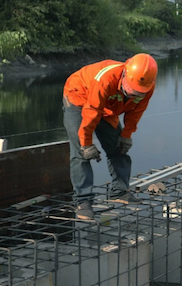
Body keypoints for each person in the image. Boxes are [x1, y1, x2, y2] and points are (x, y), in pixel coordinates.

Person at [62, 54, 158, 220]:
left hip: (107, 106)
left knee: (118, 147)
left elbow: (136, 112)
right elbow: (91, 111)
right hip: (80, 97)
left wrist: (127, 135)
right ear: (125, 75)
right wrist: (86, 143)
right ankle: (83, 201)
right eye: (132, 89)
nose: (134, 94)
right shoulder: (106, 79)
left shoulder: (146, 87)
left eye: (138, 93)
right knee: (80, 153)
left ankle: (119, 191)